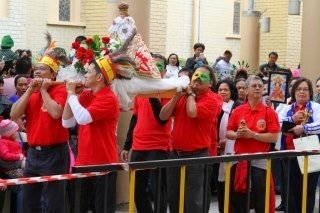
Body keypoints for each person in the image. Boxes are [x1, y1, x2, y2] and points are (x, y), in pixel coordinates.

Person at [10, 52, 70, 213]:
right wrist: (29, 90)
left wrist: (43, 90)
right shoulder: (32, 91)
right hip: (33, 154)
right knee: (28, 202)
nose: (37, 71)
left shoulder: (60, 89)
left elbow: (56, 113)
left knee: (53, 204)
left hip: (55, 153)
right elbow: (14, 114)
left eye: (43, 69)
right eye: (36, 68)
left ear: (53, 73)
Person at [62, 55, 120, 213]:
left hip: (104, 164)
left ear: (100, 77)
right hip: (84, 162)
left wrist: (72, 94)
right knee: (79, 207)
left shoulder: (109, 98)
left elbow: (82, 118)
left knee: (102, 208)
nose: (85, 75)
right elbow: (66, 122)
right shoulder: (87, 95)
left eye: (88, 72)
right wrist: (70, 94)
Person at [159, 65, 220, 213]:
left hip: (197, 155)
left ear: (210, 83)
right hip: (175, 154)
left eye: (203, 77)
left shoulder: (212, 100)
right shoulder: (182, 96)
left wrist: (191, 95)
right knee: (174, 198)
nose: (197, 80)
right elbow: (162, 116)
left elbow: (192, 112)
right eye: (196, 76)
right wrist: (176, 97)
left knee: (193, 201)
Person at [226, 75, 280, 213]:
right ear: (247, 90)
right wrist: (238, 134)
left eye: (260, 86)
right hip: (239, 160)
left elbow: (274, 138)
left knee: (261, 201)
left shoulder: (269, 112)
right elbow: (228, 132)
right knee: (238, 201)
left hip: (260, 161)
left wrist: (253, 135)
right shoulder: (238, 111)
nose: (257, 88)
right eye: (254, 86)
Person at [278, 77, 320, 213]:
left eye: (306, 89)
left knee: (308, 189)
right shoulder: (287, 108)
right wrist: (292, 119)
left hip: (310, 154)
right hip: (289, 154)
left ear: (310, 92)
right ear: (294, 91)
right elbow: (278, 124)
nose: (302, 92)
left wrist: (304, 128)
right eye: (299, 89)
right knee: (290, 190)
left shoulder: (316, 107)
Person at [212, 79, 242, 213]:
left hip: (233, 152)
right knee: (221, 186)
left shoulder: (237, 107)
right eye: (220, 90)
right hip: (216, 151)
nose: (222, 92)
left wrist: (227, 140)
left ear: (232, 92)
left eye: (226, 89)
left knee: (232, 187)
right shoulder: (214, 105)